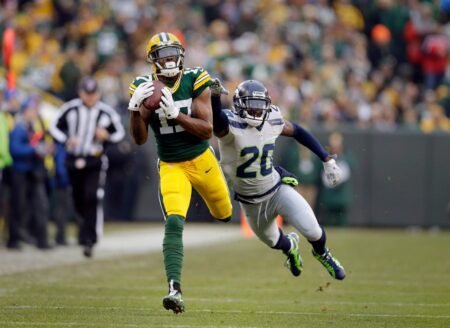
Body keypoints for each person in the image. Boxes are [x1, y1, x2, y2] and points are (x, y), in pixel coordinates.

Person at [128, 32, 232, 314]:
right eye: (163, 54)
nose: (170, 59)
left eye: (173, 53)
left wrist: (176, 115)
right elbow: (138, 139)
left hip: (201, 159)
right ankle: (174, 288)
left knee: (224, 214)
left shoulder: (195, 78)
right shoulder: (143, 86)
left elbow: (206, 131)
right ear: (153, 59)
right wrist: (135, 110)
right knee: (174, 222)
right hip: (172, 165)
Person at [210, 78, 346, 281]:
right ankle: (290, 248)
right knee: (274, 241)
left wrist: (326, 158)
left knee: (313, 230)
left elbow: (298, 131)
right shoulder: (230, 125)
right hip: (251, 203)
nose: (256, 112)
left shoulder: (271, 119)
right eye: (251, 106)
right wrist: (214, 98)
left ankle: (322, 253)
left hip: (277, 191)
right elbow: (217, 119)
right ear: (239, 105)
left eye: (259, 106)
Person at [50, 76, 125, 257]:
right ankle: (84, 229)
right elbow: (54, 127)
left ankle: (89, 239)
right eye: (87, 93)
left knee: (91, 196)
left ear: (98, 94)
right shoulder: (70, 109)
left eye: (93, 93)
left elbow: (119, 133)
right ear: (80, 93)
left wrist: (106, 135)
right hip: (73, 159)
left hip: (94, 160)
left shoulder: (106, 112)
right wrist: (67, 139)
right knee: (77, 198)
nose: (90, 97)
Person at [7, 96, 53, 250]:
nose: (34, 113)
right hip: (20, 171)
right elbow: (14, 149)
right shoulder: (19, 128)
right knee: (18, 206)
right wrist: (34, 150)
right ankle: (14, 239)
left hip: (32, 171)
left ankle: (37, 238)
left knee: (36, 206)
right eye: (32, 110)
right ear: (26, 111)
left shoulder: (31, 127)